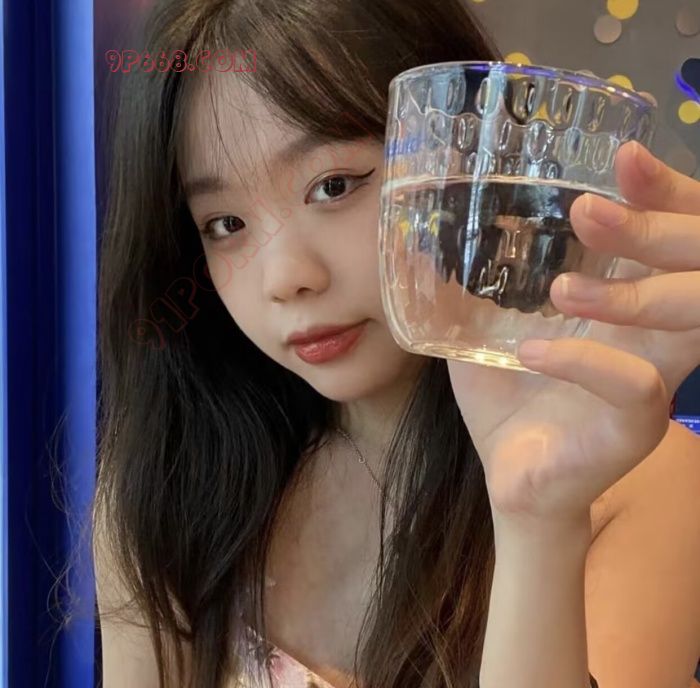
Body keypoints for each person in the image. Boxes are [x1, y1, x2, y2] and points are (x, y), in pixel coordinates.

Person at [91, 0, 700, 686]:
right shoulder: (174, 487)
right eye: (225, 224)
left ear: (472, 154)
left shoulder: (635, 481)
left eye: (334, 186)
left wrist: (537, 524)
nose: (285, 277)